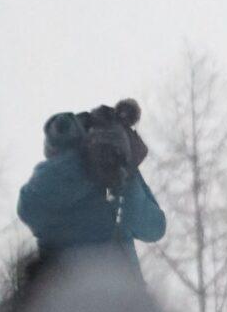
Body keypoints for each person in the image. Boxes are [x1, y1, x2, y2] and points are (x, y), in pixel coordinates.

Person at [16, 100, 166, 257]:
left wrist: (123, 169)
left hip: (115, 277)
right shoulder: (56, 181)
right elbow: (29, 207)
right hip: (70, 277)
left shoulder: (120, 170)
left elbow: (154, 228)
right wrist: (86, 160)